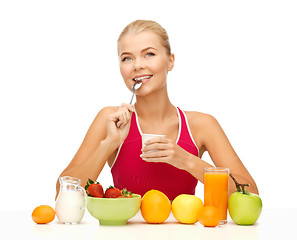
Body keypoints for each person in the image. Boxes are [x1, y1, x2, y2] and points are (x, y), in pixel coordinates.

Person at [56, 20, 258, 200]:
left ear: (170, 61)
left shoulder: (202, 125)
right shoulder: (110, 120)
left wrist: (187, 160)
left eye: (149, 54)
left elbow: (251, 194)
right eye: (127, 58)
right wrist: (109, 144)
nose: (137, 65)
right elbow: (62, 193)